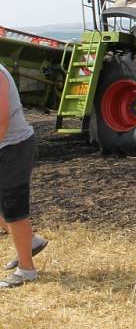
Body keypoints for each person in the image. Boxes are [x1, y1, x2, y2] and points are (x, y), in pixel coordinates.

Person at [0, 63, 48, 288]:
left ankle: (27, 271)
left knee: (13, 209)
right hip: (6, 145)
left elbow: (1, 120)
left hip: (14, 147)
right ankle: (30, 242)